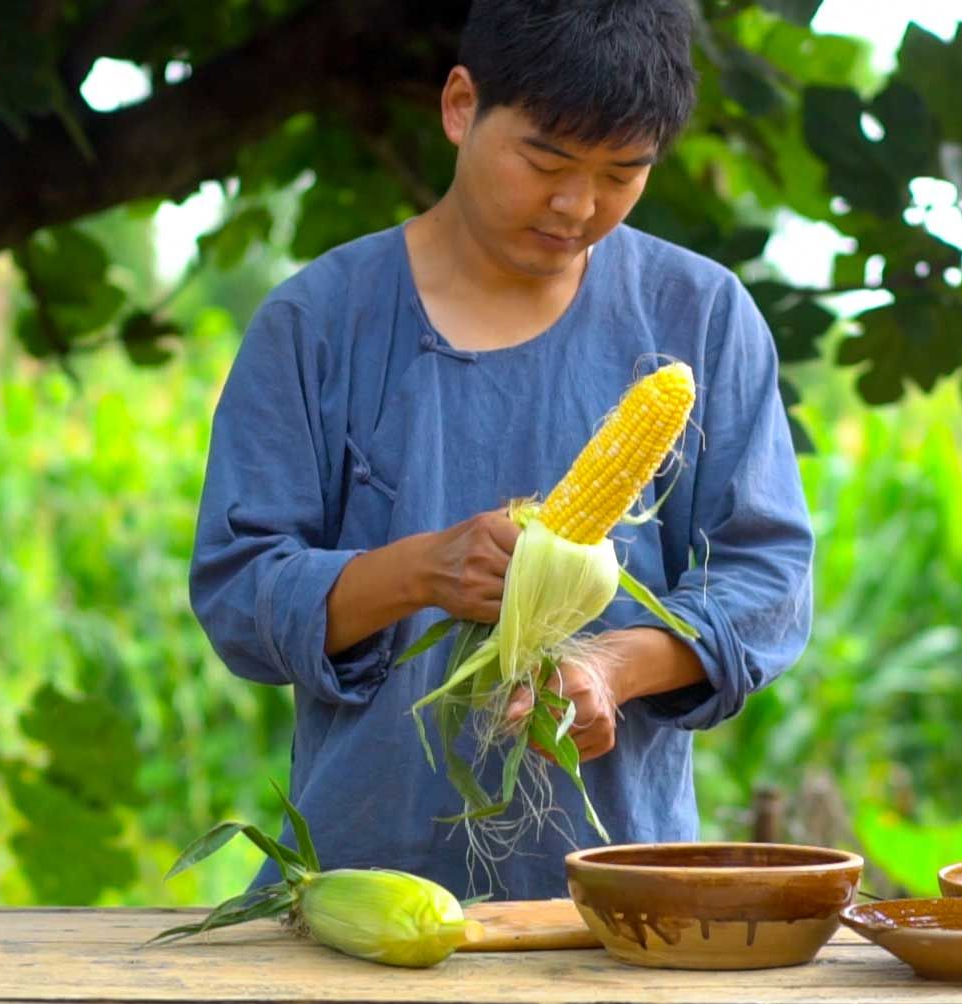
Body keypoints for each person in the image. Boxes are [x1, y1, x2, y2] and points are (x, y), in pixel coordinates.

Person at [189, 0, 814, 900]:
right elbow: (239, 594)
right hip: (356, 898)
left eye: (622, 173)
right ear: (459, 106)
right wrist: (424, 570)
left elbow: (767, 583)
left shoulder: (703, 318)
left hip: (613, 906)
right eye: (546, 161)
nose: (577, 205)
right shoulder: (316, 322)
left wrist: (610, 666)